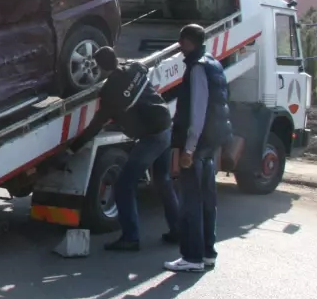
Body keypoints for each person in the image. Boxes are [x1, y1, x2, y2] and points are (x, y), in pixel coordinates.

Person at [66, 46, 178, 251]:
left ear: (99, 68)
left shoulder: (109, 92)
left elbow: (95, 125)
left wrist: (72, 149)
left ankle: (131, 238)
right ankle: (178, 229)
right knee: (163, 180)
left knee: (124, 186)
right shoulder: (134, 68)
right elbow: (142, 70)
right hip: (165, 126)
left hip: (150, 137)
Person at [165, 23, 232, 273]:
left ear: (189, 41)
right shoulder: (213, 64)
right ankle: (207, 254)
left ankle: (191, 257)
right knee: (206, 202)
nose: (179, 47)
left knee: (191, 203)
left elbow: (197, 110)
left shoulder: (197, 68)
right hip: (209, 145)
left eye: (181, 42)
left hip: (197, 146)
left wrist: (188, 148)